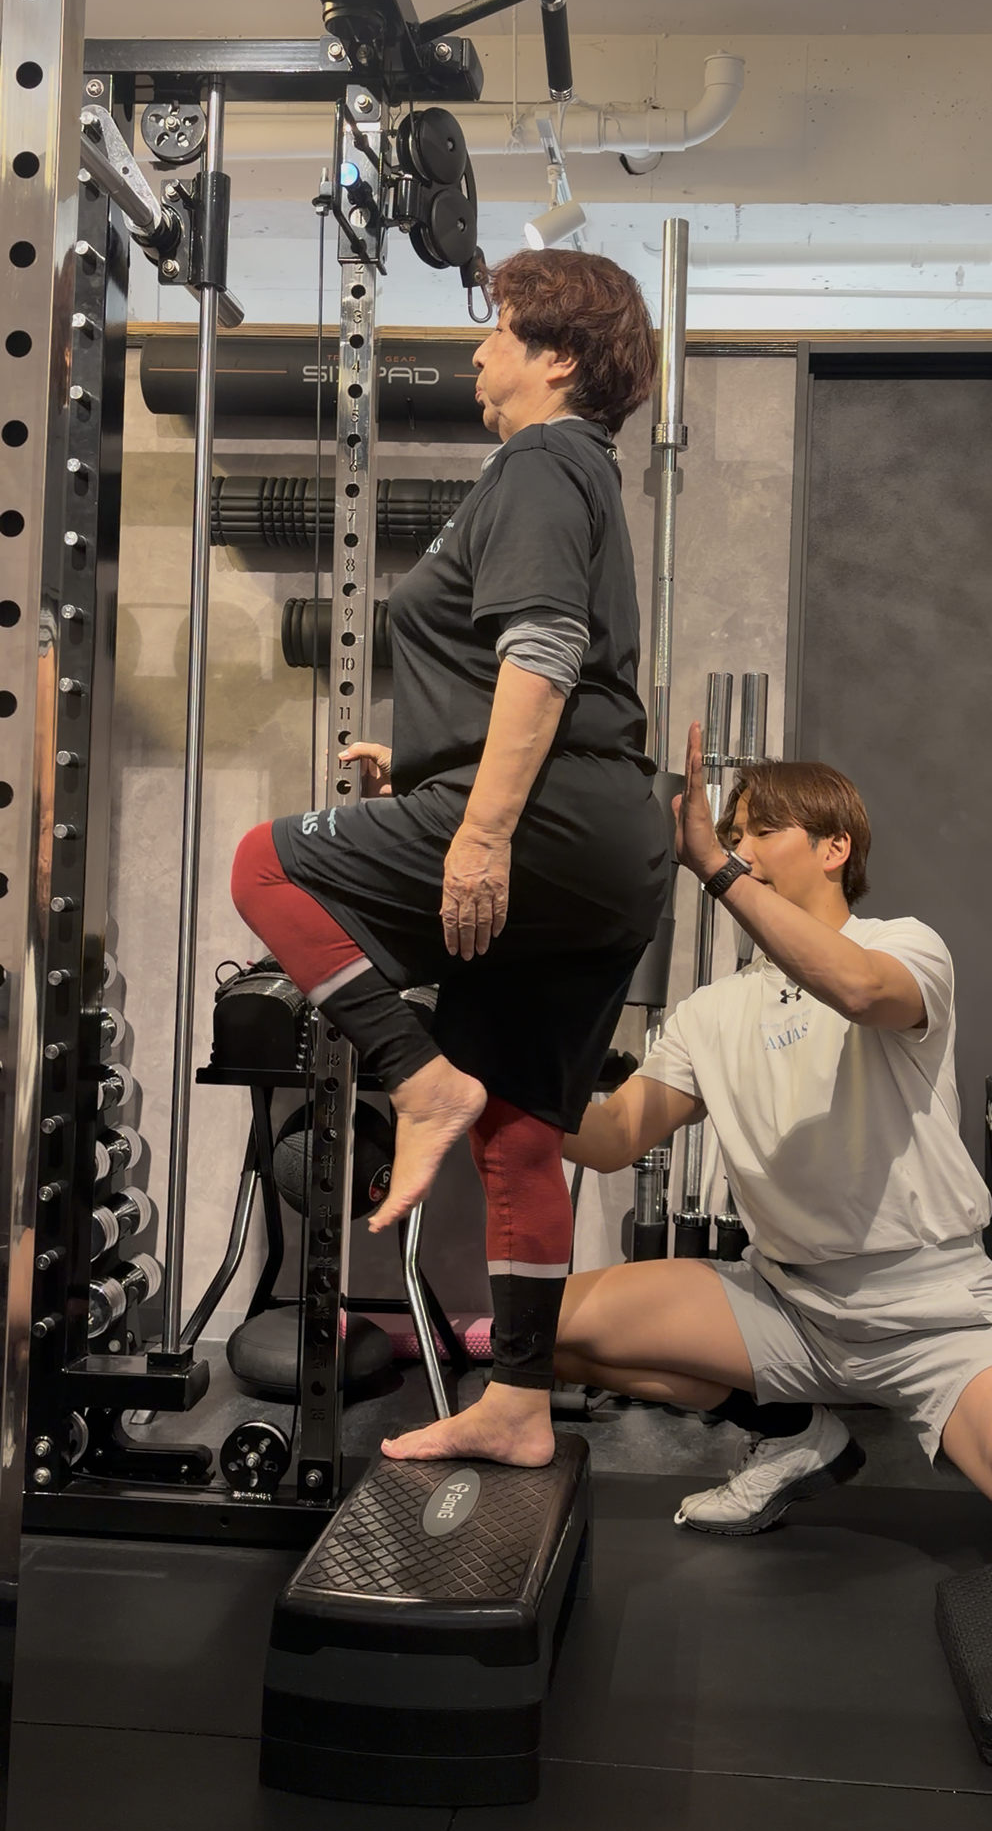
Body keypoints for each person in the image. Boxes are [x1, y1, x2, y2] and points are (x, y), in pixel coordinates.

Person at [231, 249, 669, 1469]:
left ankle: (418, 1081)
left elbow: (545, 649)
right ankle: (519, 1406)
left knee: (264, 865)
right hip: (606, 848)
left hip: (543, 828)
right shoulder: (583, 472)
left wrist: (478, 829)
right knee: (522, 1131)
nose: (477, 352)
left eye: (498, 332)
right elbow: (530, 675)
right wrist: (427, 764)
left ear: (558, 358)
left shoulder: (537, 462)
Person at [556, 728, 992, 1574]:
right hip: (788, 1307)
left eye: (764, 831)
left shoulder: (903, 947)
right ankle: (794, 1431)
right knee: (539, 1328)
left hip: (932, 1318)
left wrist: (716, 869)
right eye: (732, 835)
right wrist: (476, 1083)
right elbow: (614, 1139)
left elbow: (859, 990)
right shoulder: (710, 1014)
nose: (741, 848)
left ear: (835, 848)